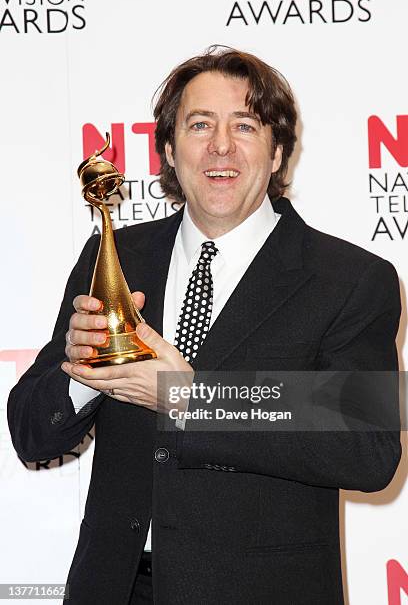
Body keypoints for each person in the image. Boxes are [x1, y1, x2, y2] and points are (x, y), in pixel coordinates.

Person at [8, 46, 401, 605]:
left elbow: (369, 449)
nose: (221, 145)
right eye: (199, 125)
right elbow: (31, 430)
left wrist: (192, 399)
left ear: (277, 153)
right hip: (115, 589)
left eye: (245, 125)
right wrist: (85, 369)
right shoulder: (117, 257)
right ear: (168, 150)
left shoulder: (351, 279)